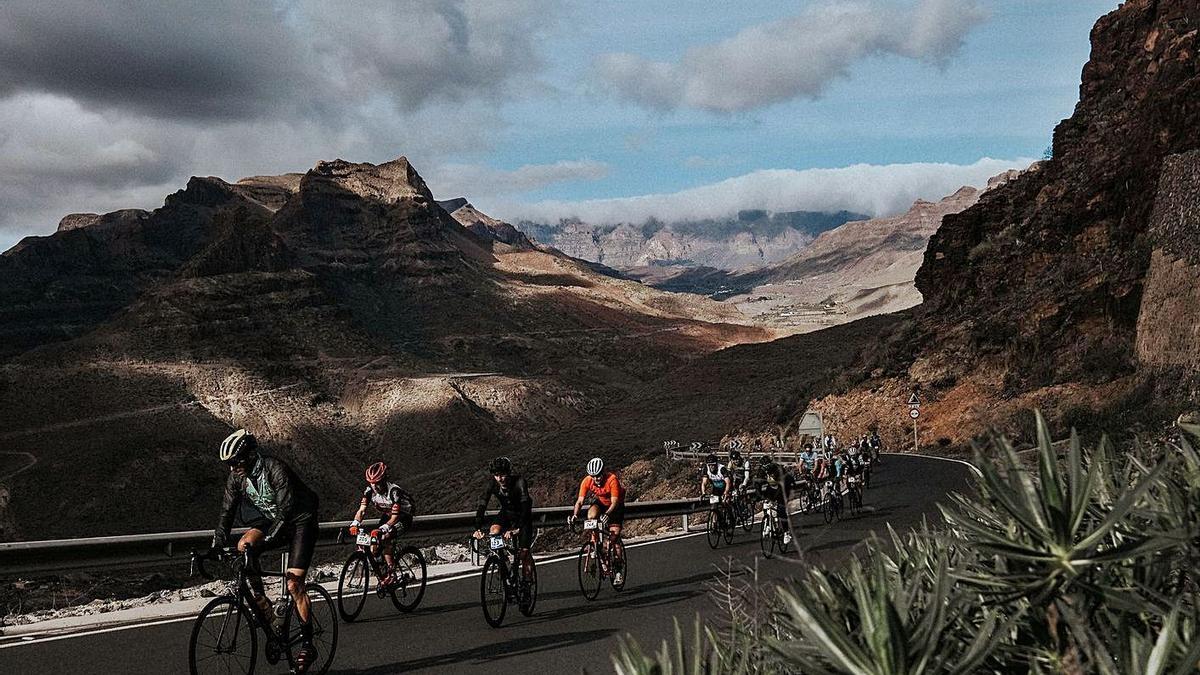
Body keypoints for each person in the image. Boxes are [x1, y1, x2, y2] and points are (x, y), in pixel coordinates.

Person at [213, 429, 320, 671]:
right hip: (271, 519)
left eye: (235, 462)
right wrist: (217, 543)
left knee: (294, 584)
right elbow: (226, 513)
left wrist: (270, 538)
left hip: (299, 521)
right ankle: (262, 601)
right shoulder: (237, 478)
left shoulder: (275, 468)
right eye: (229, 464)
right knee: (244, 545)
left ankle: (307, 644)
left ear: (250, 456)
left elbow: (286, 509)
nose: (232, 468)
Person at [348, 461, 415, 586]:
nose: (375, 487)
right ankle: (382, 569)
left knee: (385, 537)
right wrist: (355, 523)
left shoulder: (394, 492)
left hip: (403, 516)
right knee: (374, 544)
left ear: (384, 480)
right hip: (388, 515)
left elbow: (395, 518)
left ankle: (391, 572)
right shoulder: (369, 491)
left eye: (377, 483)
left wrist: (383, 529)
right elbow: (362, 511)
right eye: (372, 483)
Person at [473, 456, 535, 580]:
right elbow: (482, 504)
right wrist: (478, 528)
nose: (499, 479)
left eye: (502, 475)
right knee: (494, 531)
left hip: (522, 514)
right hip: (506, 513)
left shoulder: (519, 482)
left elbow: (526, 506)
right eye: (496, 475)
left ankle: (527, 583)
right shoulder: (492, 483)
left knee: (524, 553)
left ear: (508, 473)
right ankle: (503, 561)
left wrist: (517, 528)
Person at [569, 457, 627, 586]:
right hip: (601, 503)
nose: (597, 479)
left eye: (599, 475)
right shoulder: (587, 481)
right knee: (591, 515)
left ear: (603, 472)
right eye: (594, 476)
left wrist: (607, 514)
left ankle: (618, 571)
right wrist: (575, 515)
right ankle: (595, 543)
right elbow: (580, 501)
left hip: (615, 506)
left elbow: (615, 502)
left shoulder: (612, 479)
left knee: (614, 538)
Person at [758, 461, 794, 546]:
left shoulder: (782, 475)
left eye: (771, 475)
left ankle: (786, 533)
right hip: (771, 487)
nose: (769, 476)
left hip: (783, 489)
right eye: (768, 474)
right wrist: (761, 497)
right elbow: (758, 483)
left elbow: (782, 490)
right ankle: (767, 523)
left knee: (781, 509)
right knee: (766, 505)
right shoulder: (765, 472)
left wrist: (774, 500)